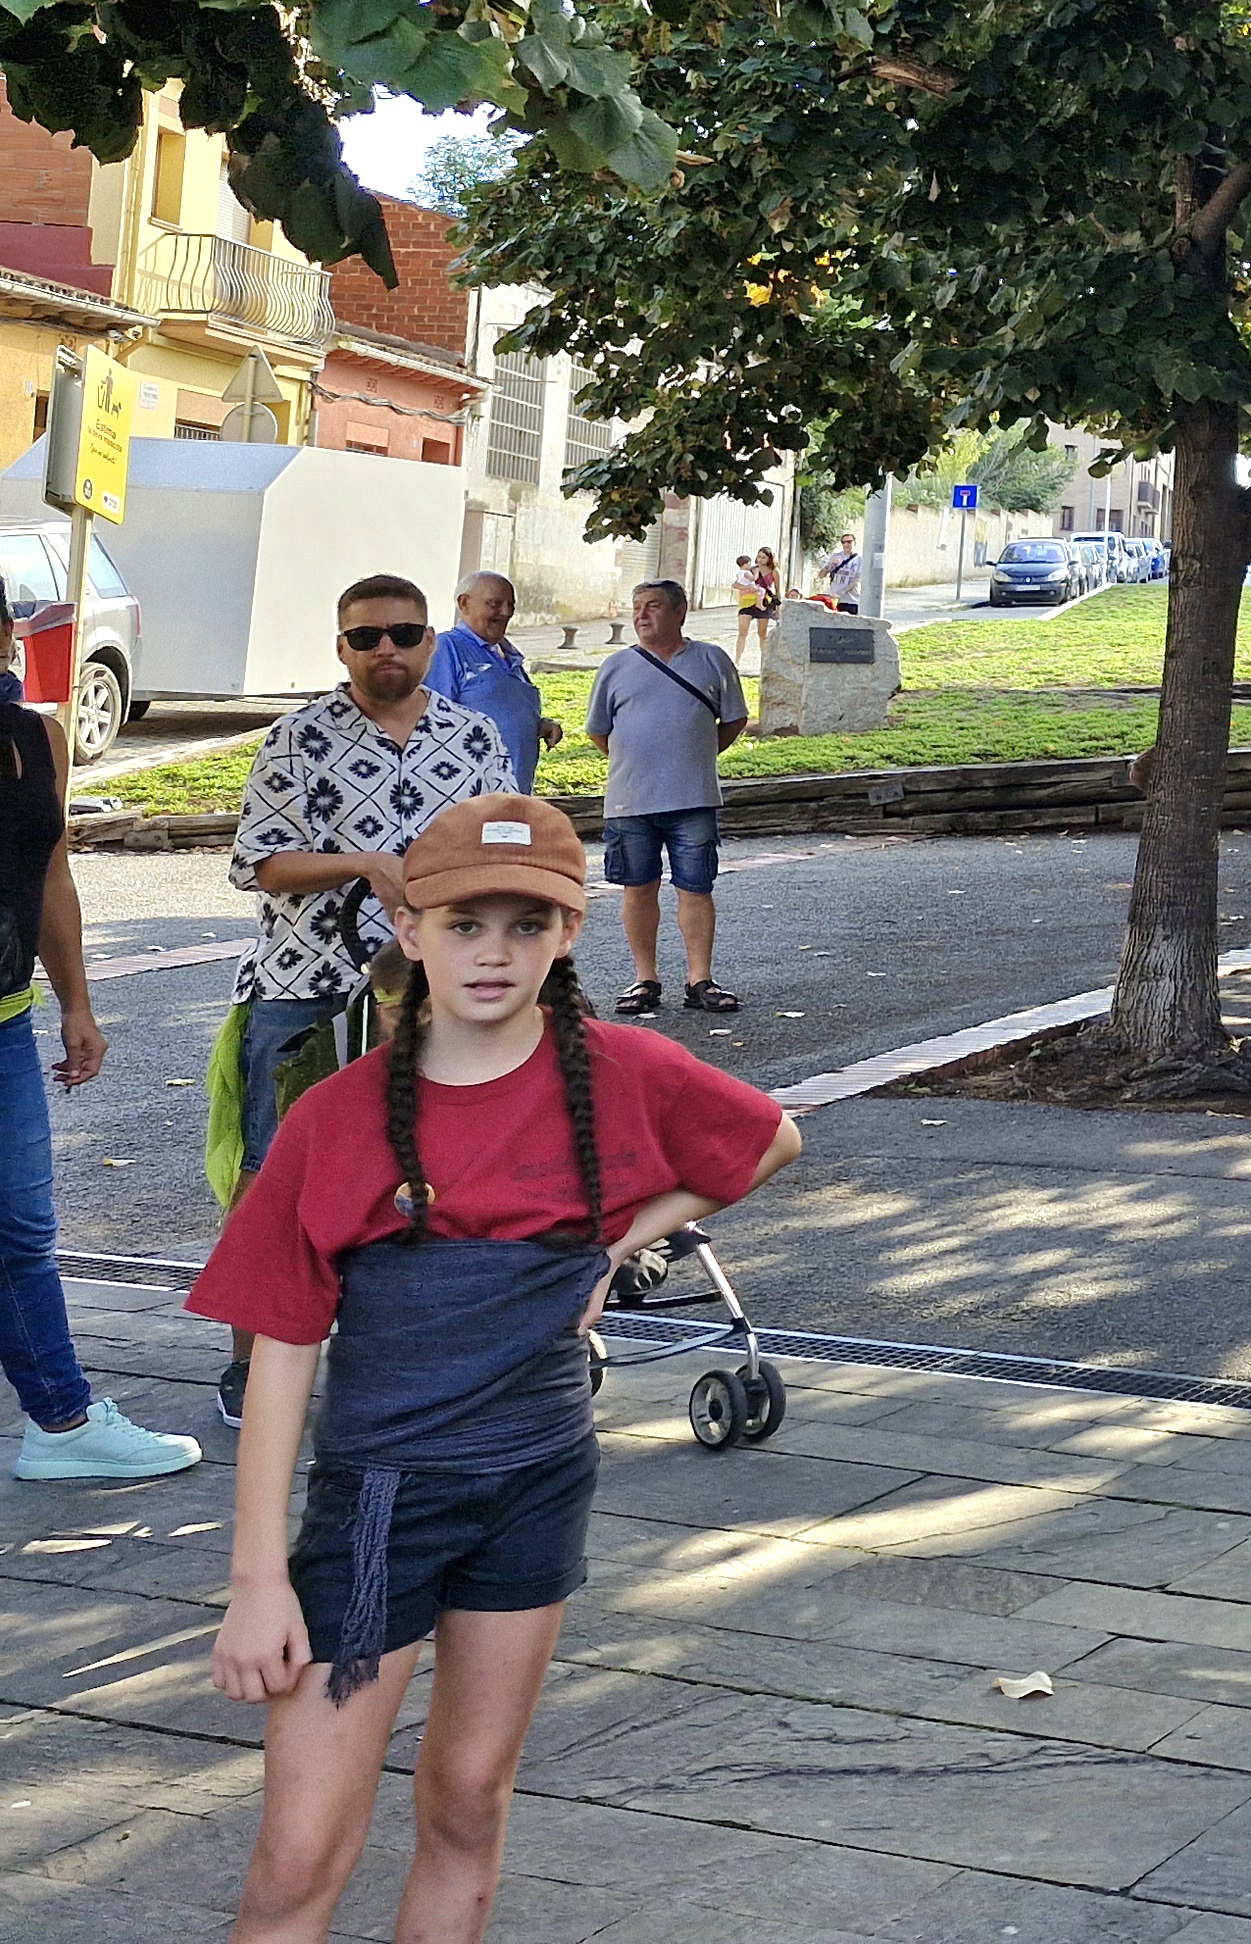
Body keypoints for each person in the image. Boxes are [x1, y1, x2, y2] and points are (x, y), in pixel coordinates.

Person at [189, 795, 798, 1944]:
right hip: (378, 1512)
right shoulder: (341, 1117)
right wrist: (257, 1579)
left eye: (528, 923)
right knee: (298, 1855)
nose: (494, 951)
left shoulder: (623, 1068)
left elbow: (766, 1138)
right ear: (411, 929)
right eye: (467, 922)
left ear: (568, 933)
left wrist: (619, 1244)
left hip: (536, 1487)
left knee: (469, 1799)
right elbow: (281, 1349)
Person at [222, 575, 518, 1426]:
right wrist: (363, 863)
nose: (385, 648)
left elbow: (506, 845)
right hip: (305, 989)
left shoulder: (473, 737)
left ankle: (429, 1354)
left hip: (439, 992)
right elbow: (260, 864)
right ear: (340, 646)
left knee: (440, 1173)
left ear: (429, 640)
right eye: (365, 637)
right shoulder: (296, 739)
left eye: (402, 632)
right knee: (277, 1173)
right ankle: (252, 1364)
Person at [6, 665, 201, 1482]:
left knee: (19, 1233)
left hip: (6, 1021)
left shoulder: (36, 736)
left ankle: (61, 1422)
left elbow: (52, 876)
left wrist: (78, 1005)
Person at [584, 580, 749, 1020]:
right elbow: (600, 732)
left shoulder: (711, 659)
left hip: (693, 798)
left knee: (695, 887)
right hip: (630, 801)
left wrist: (695, 754)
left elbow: (734, 719)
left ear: (680, 611)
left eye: (653, 606)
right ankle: (645, 978)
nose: (641, 615)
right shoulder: (615, 667)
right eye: (636, 606)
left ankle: (700, 980)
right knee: (638, 890)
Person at [424, 574, 543, 792]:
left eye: (511, 605)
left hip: (514, 792)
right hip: (469, 796)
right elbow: (431, 720)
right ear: (464, 604)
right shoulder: (448, 648)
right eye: (495, 604)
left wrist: (539, 724)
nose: (506, 613)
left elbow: (504, 707)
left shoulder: (507, 653)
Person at [730, 550, 782, 666]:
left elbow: (778, 591)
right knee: (742, 632)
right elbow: (735, 584)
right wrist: (748, 587)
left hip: (764, 601)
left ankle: (764, 661)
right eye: (759, 557)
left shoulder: (775, 571)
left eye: (763, 557)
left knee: (762, 633)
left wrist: (778, 608)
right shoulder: (751, 570)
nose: (760, 560)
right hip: (747, 602)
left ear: (770, 558)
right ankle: (737, 661)